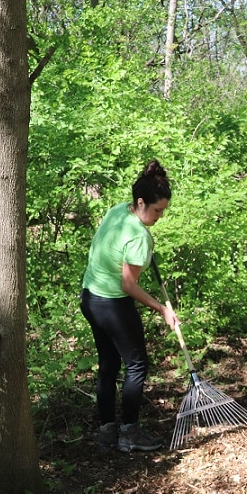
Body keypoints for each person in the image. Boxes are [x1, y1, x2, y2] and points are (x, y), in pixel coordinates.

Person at [80, 160, 178, 453]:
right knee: (136, 365)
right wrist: (162, 309)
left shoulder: (119, 211)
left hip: (89, 297)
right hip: (111, 303)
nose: (160, 216)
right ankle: (129, 433)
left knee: (109, 365)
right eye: (157, 210)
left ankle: (107, 432)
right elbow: (128, 285)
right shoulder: (139, 236)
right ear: (140, 202)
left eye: (163, 210)